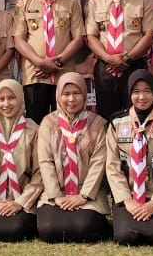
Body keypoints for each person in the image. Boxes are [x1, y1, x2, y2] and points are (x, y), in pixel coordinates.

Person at [104, 69, 153, 246]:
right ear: (129, 94)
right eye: (136, 92)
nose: (142, 97)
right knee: (125, 236)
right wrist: (126, 200)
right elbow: (112, 166)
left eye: (147, 91)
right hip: (128, 195)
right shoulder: (116, 123)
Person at [35, 73, 111, 243]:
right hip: (57, 192)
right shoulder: (48, 123)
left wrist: (83, 196)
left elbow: (99, 163)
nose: (71, 99)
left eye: (76, 93)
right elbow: (45, 162)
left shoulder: (98, 124)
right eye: (66, 94)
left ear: (84, 95)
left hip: (88, 191)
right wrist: (56, 195)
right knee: (48, 230)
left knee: (83, 227)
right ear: (58, 96)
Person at [84, 0, 153, 122]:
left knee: (137, 116)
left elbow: (149, 35)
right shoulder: (95, 2)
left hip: (134, 66)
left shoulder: (143, 0)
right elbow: (91, 36)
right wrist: (109, 59)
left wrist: (127, 58)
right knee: (106, 118)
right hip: (105, 68)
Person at [13, 0, 86, 122]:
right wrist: (40, 63)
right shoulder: (24, 3)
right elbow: (19, 40)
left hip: (64, 74)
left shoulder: (71, 3)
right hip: (35, 75)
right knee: (36, 123)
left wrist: (57, 63)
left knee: (67, 122)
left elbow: (78, 39)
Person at [0, 78, 43, 241]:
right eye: (1, 99)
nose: (6, 104)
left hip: (25, 200)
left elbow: (40, 172)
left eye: (11, 98)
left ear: (20, 98)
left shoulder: (33, 130)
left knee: (16, 229)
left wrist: (20, 202)